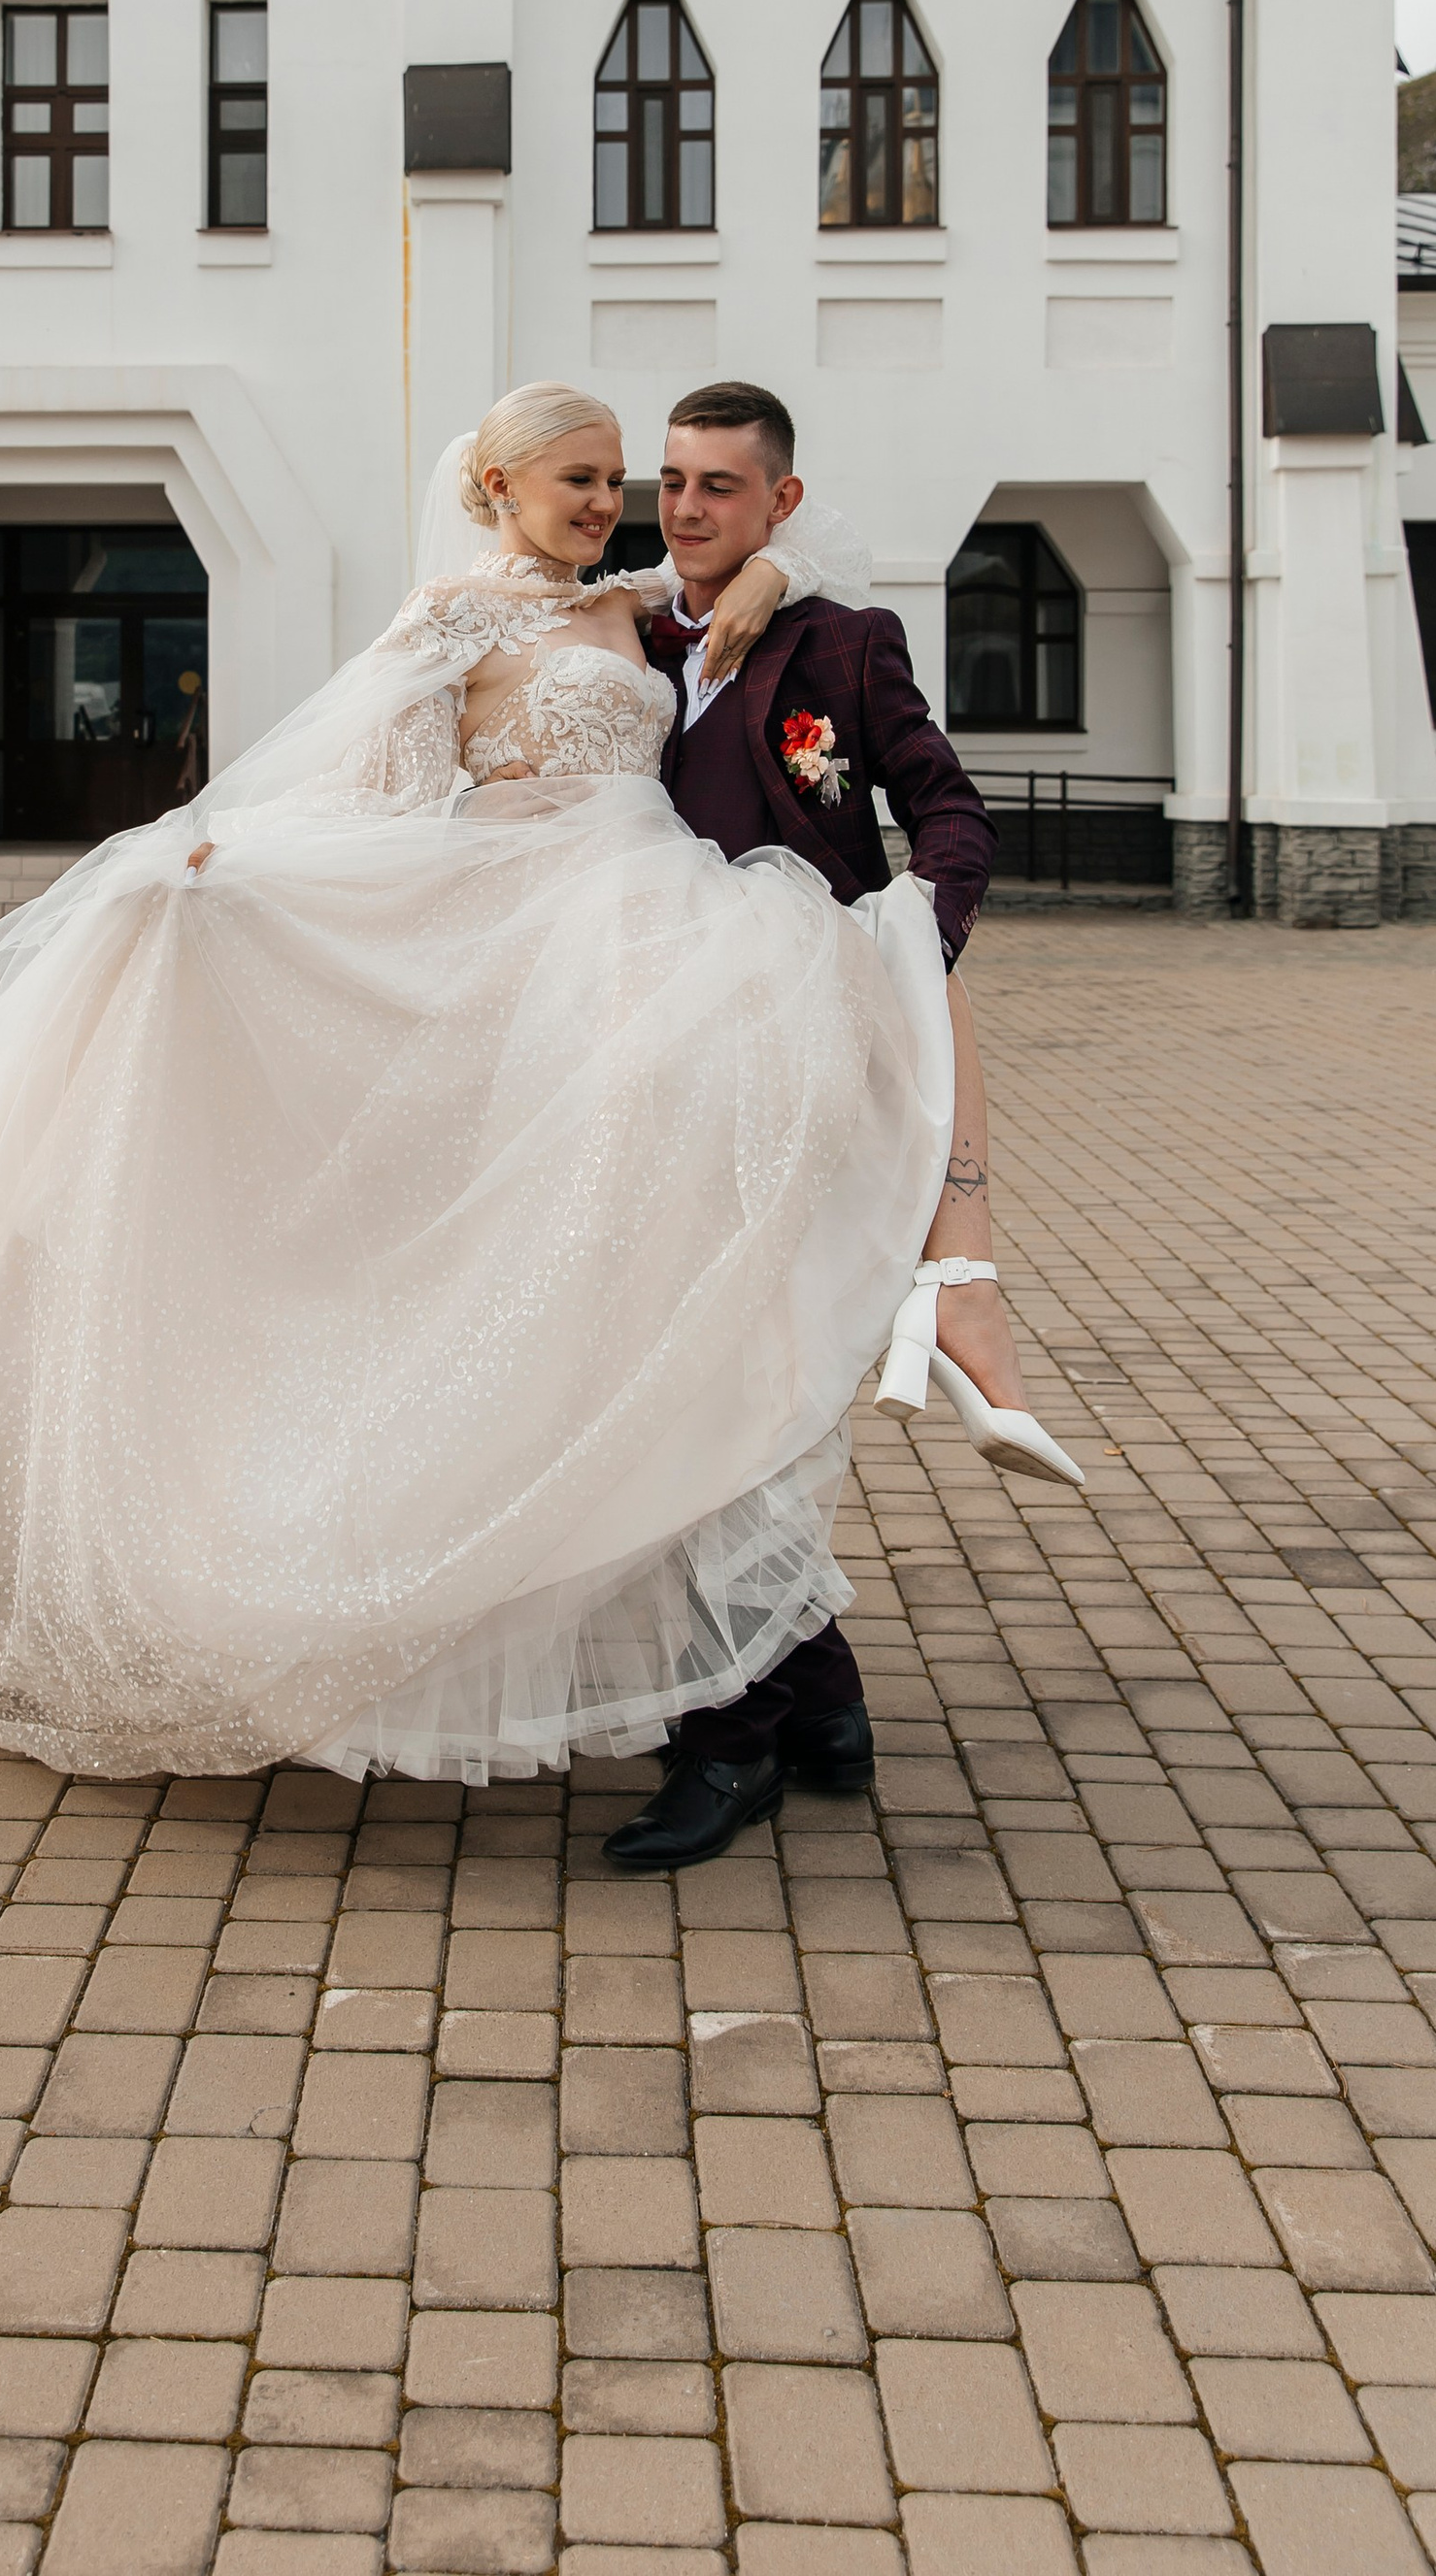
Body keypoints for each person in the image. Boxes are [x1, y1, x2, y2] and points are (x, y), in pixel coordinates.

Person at [0, 383, 976, 1817]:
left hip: (681, 957)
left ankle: (785, 1687)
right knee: (598, 1307)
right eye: (590, 478)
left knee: (695, 1304)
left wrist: (784, 576)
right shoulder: (450, 620)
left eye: (632, 479)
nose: (622, 503)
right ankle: (749, 1698)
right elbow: (380, 807)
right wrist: (234, 878)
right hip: (537, 968)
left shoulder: (653, 608)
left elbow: (778, 580)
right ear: (494, 485)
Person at [599, 380, 1084, 1878]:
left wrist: (900, 955)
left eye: (719, 488)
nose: (686, 510)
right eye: (671, 483)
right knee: (694, 1373)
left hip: (798, 1048)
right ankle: (821, 1703)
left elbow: (952, 816)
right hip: (640, 1056)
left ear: (781, 502)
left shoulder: (840, 645)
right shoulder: (613, 632)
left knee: (744, 1382)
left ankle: (729, 1741)